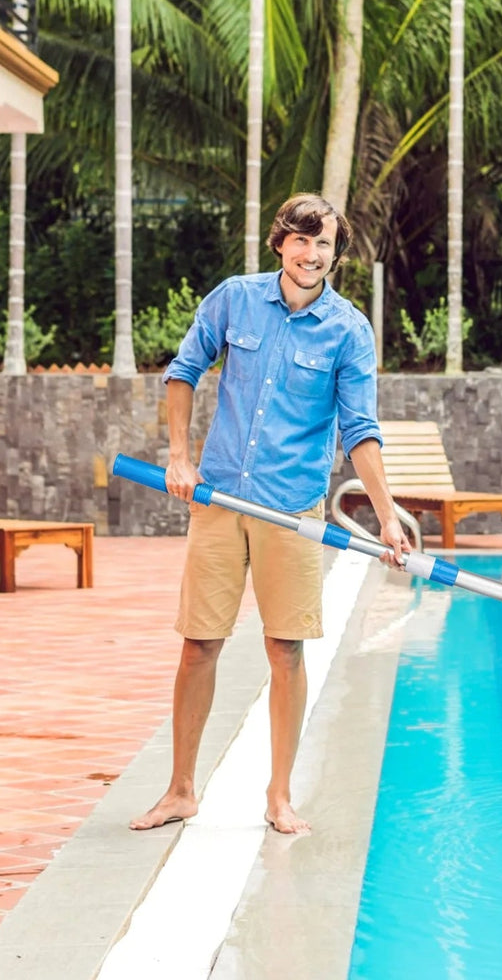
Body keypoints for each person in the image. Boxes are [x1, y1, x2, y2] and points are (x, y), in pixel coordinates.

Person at [130, 192, 410, 835]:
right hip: (220, 496)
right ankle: (179, 790)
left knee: (285, 650)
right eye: (301, 240)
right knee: (199, 644)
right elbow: (184, 371)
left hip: (292, 508)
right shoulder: (234, 298)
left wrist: (388, 515)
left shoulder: (349, 330)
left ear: (335, 255)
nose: (311, 255)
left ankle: (279, 797)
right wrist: (179, 455)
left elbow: (359, 430)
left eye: (324, 245)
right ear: (280, 242)